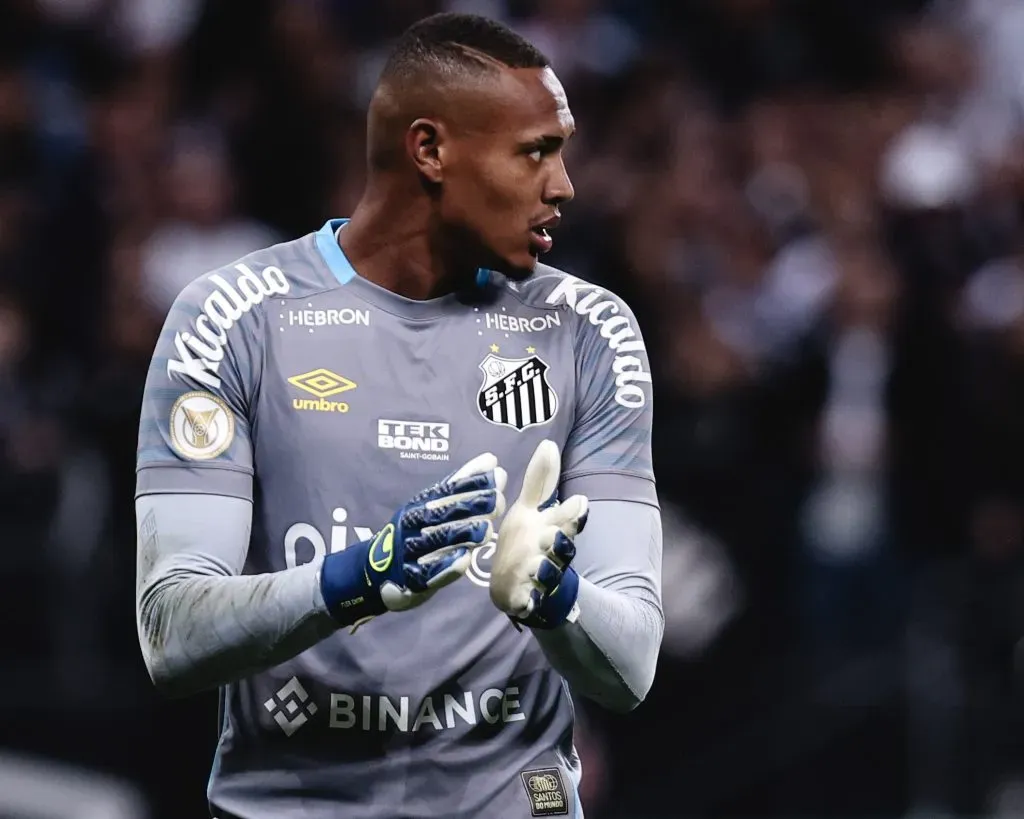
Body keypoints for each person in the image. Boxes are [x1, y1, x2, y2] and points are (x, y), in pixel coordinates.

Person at [134, 12, 663, 819]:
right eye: (535, 152)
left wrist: (558, 597)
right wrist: (354, 579)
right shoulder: (233, 319)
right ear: (430, 150)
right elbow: (171, 635)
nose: (563, 186)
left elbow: (630, 668)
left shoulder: (589, 331)